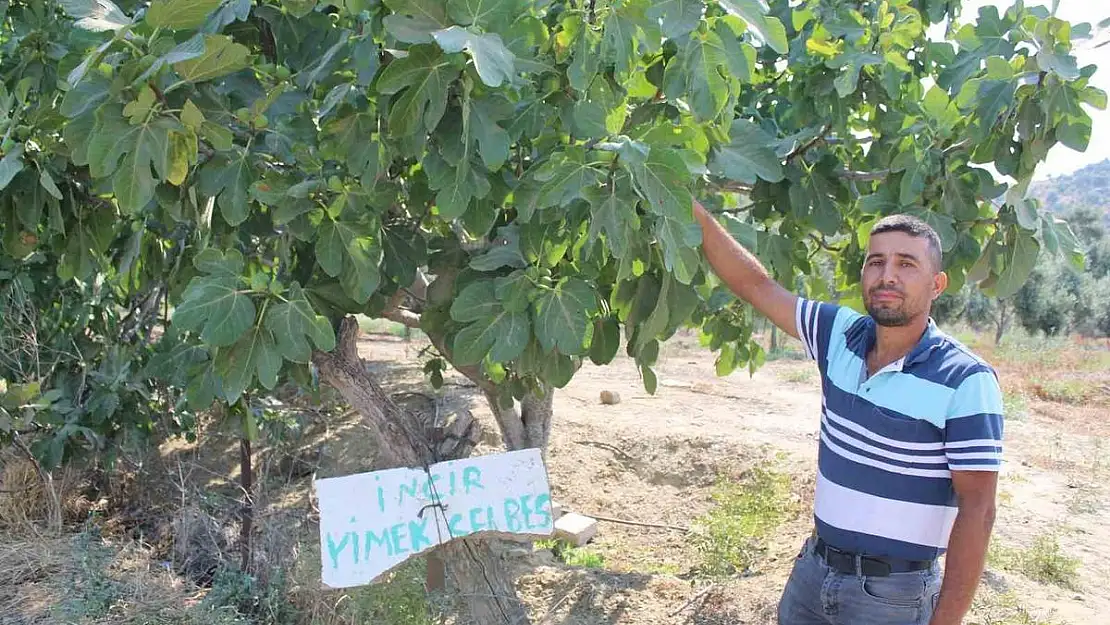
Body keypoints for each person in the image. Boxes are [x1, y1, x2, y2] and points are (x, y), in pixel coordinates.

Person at [693, 199, 1003, 625]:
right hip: (813, 572)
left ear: (937, 284)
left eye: (907, 264)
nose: (887, 275)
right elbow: (756, 286)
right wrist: (691, 211)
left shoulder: (966, 380)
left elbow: (978, 509)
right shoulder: (838, 334)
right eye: (876, 262)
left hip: (894, 596)